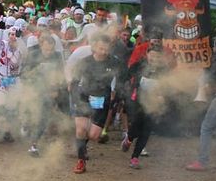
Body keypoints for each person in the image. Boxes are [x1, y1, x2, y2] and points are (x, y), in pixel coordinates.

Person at [69, 33, 126, 173]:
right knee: (81, 129)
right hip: (84, 97)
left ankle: (81, 144)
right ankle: (81, 161)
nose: (104, 51)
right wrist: (76, 99)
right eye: (101, 48)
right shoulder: (85, 62)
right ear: (94, 47)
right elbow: (74, 82)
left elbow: (121, 81)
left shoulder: (115, 63)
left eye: (106, 48)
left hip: (102, 100)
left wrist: (116, 97)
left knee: (94, 135)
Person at [122, 44, 171, 169]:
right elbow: (125, 77)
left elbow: (168, 87)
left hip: (154, 103)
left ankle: (135, 158)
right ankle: (129, 138)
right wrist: (127, 91)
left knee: (147, 129)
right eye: (152, 55)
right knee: (137, 125)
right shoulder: (139, 65)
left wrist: (162, 96)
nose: (154, 58)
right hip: (138, 101)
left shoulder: (164, 70)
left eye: (157, 56)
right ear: (147, 55)